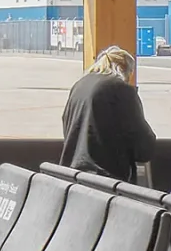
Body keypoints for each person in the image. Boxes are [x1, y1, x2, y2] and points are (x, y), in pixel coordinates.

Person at [60, 45, 155, 182]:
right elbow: (141, 141)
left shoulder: (79, 85)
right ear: (125, 70)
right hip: (105, 178)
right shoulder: (120, 89)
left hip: (73, 174)